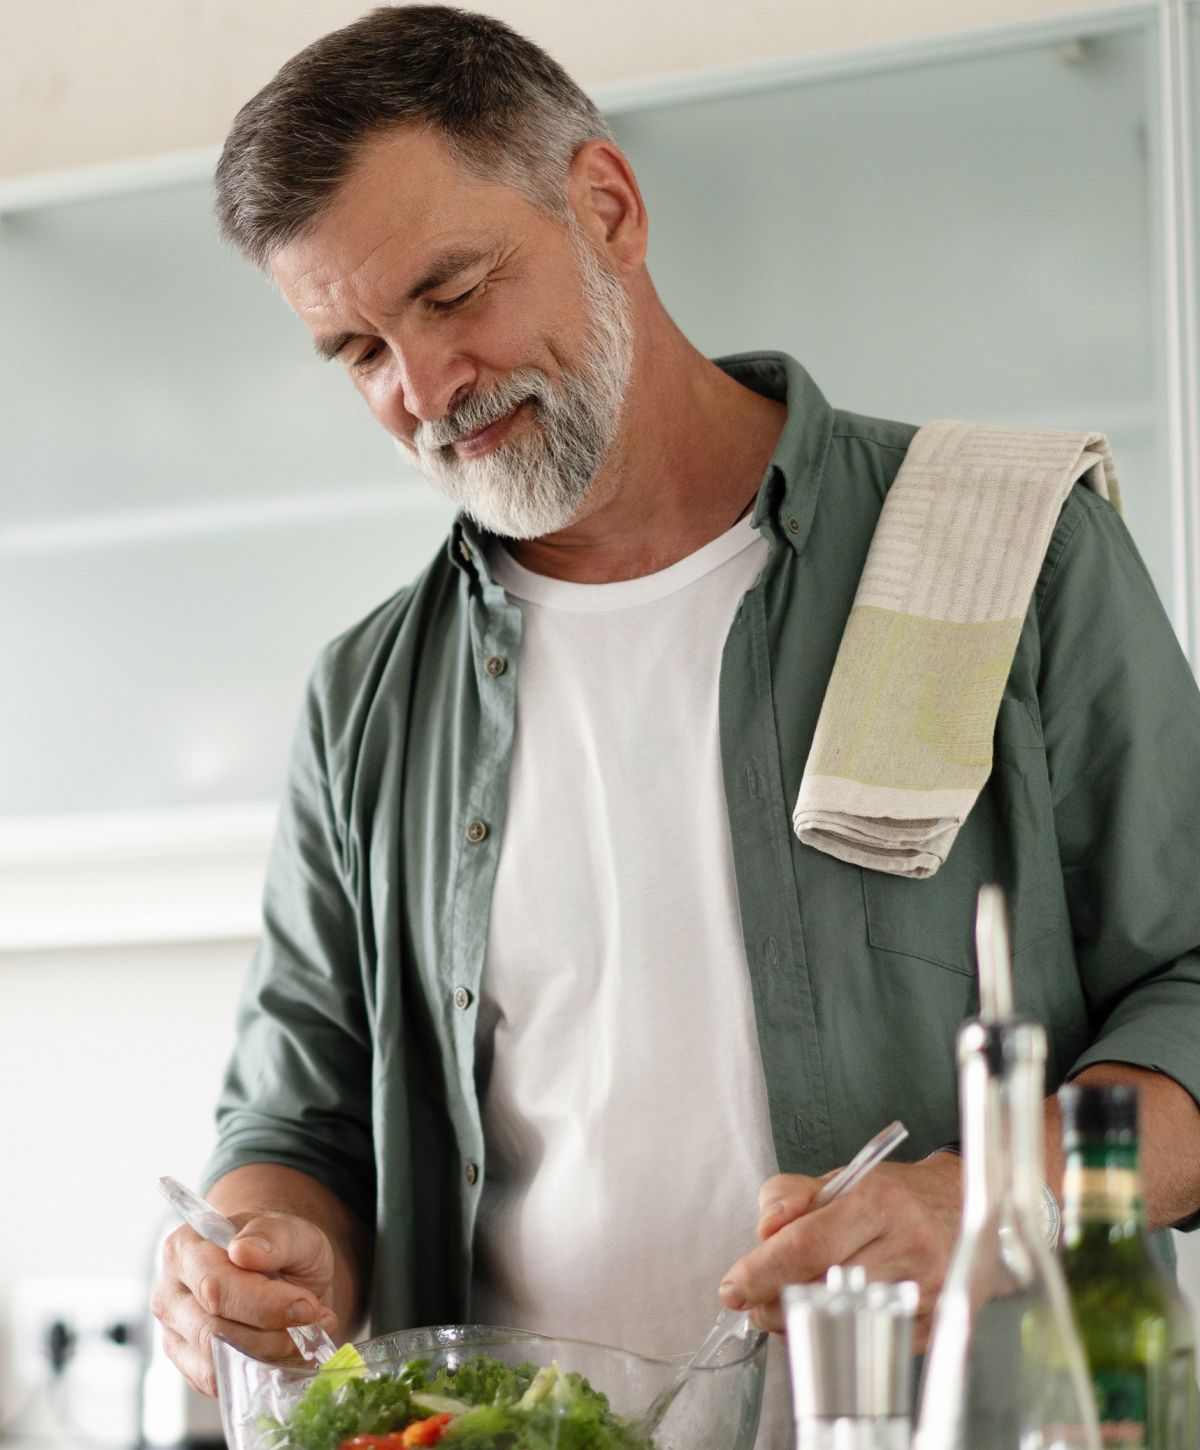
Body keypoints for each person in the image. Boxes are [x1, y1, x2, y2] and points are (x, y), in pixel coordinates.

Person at [151, 5, 1200, 1442]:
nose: (423, 392)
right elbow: (296, 1120)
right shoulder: (367, 696)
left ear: (608, 206)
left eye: (453, 292)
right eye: (356, 350)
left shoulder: (1010, 553)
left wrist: (986, 1199)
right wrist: (261, 1251)